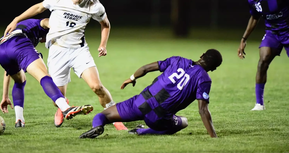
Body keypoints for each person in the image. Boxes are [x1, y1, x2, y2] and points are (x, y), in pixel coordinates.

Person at [3, 0, 127, 130]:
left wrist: (103, 44)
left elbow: (106, 24)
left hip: (78, 51)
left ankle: (115, 117)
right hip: (57, 51)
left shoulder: (94, 5)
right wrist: (16, 19)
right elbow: (39, 8)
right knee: (57, 98)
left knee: (97, 86)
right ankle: (62, 107)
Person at [79, 49, 223, 138]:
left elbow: (147, 68)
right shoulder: (204, 79)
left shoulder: (178, 60)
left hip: (140, 103)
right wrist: (213, 136)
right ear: (214, 68)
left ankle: (96, 127)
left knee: (102, 115)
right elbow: (203, 110)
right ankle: (142, 132)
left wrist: (132, 78)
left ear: (202, 55)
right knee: (183, 122)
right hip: (158, 117)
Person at [0, 18, 93, 127]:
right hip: (19, 43)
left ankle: (19, 120)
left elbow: (7, 71)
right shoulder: (39, 23)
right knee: (44, 76)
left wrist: (4, 96)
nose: (44, 41)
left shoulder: (22, 29)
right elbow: (48, 22)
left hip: (2, 51)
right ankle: (65, 108)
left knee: (20, 81)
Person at [237, 0, 289, 111]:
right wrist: (244, 39)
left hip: (287, 31)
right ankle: (259, 104)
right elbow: (254, 18)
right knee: (262, 61)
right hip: (272, 33)